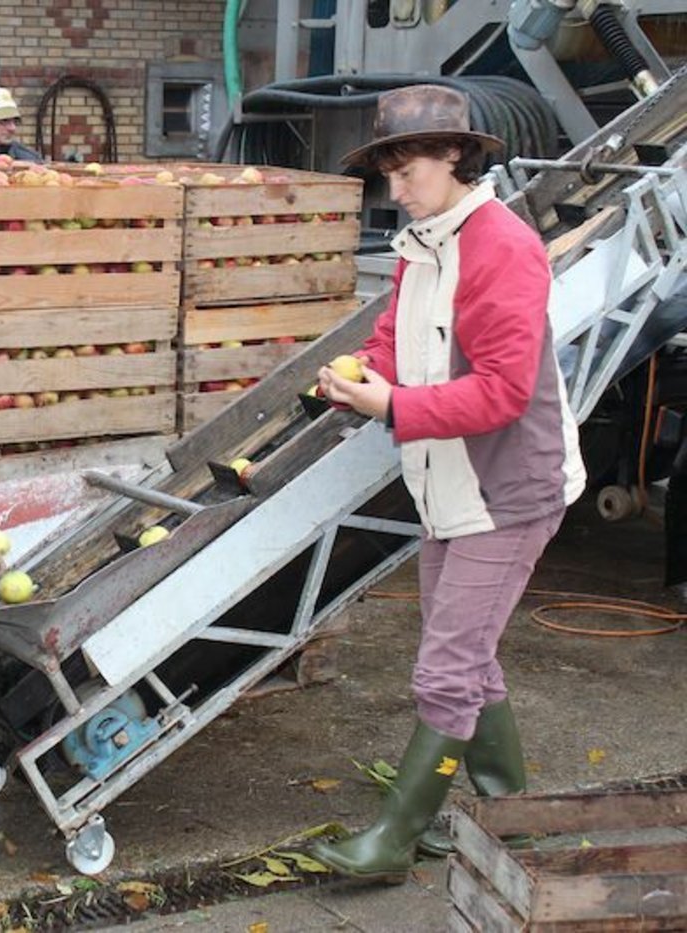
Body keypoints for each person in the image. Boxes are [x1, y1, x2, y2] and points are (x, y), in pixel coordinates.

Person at [311, 85, 586, 882]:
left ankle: (394, 839)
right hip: (449, 489)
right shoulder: (425, 245)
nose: (394, 192)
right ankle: (515, 821)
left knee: (446, 669)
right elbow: (396, 339)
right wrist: (362, 372)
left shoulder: (501, 246)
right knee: (470, 658)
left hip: (506, 493)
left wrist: (391, 403)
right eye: (389, 174)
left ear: (456, 157)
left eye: (408, 171)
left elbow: (503, 391)